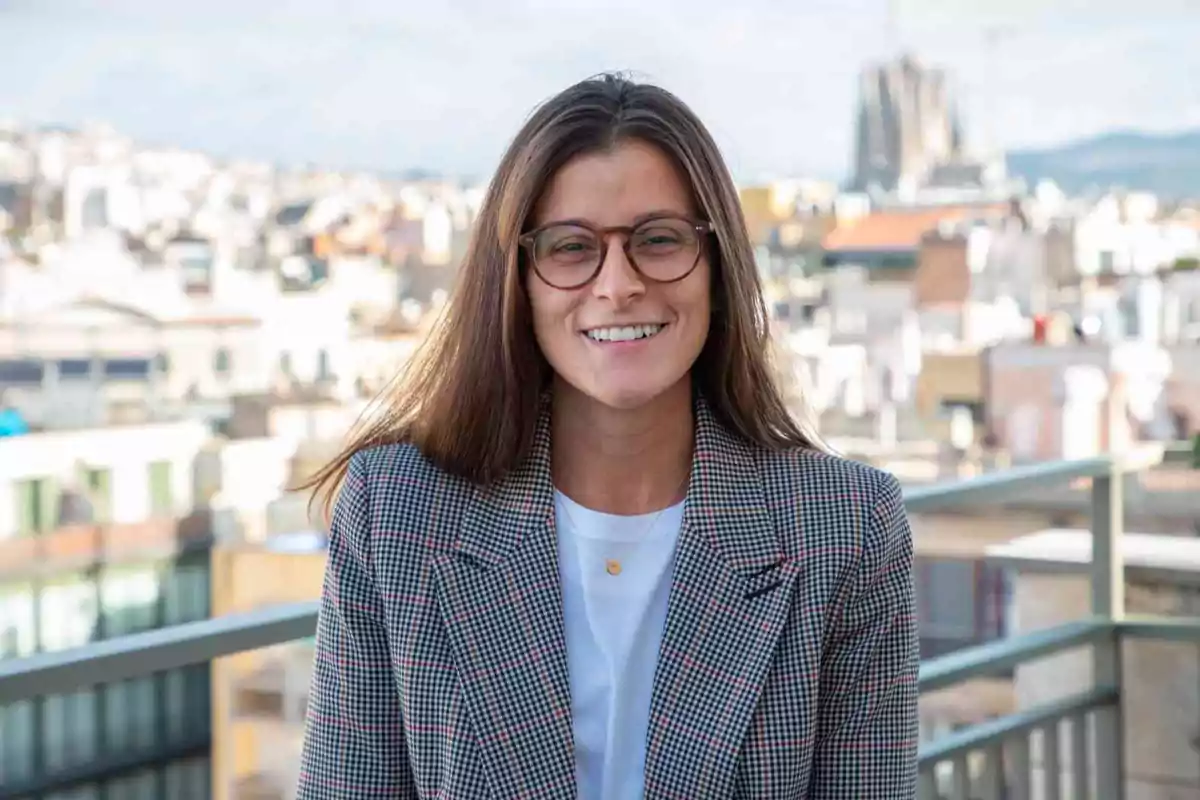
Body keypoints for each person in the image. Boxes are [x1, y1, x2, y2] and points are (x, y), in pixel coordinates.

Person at [296, 73, 918, 800]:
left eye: (658, 240)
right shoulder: (396, 511)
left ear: (717, 268)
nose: (617, 284)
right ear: (517, 280)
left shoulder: (846, 527)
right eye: (570, 248)